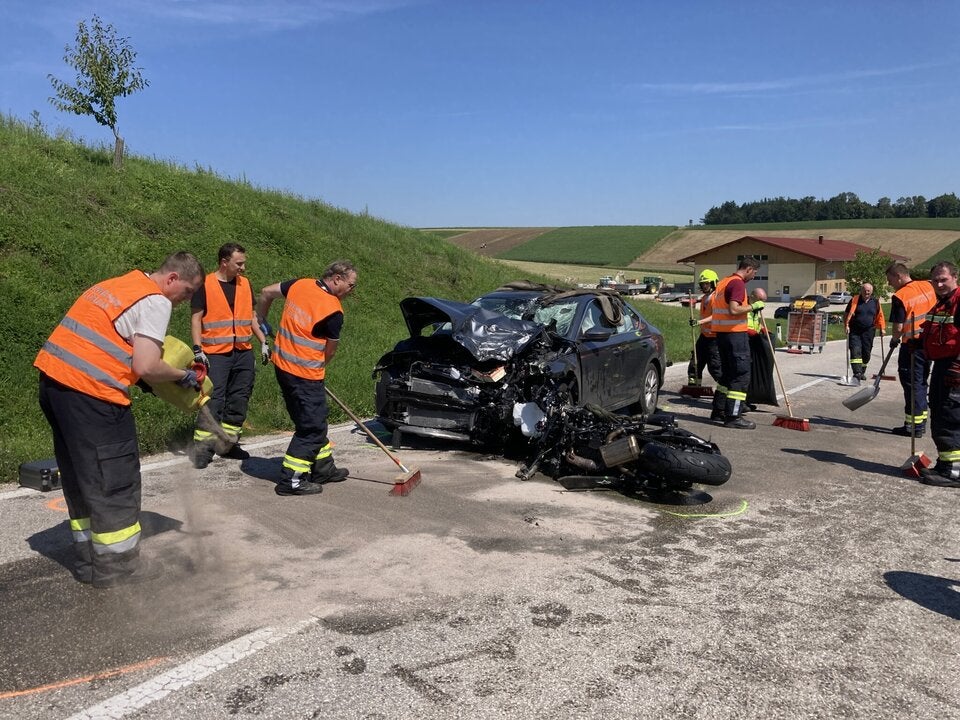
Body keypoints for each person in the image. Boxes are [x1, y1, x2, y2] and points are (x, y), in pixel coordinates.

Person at [33, 252, 205, 588]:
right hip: (93, 394)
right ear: (172, 278)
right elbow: (147, 365)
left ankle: (88, 564)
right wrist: (182, 375)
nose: (184, 302)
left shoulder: (119, 285)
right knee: (115, 482)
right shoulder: (156, 301)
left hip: (55, 386)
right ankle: (118, 572)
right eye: (186, 292)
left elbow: (110, 342)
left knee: (82, 477)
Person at [256, 260, 358, 496]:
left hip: (282, 367)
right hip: (304, 374)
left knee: (313, 419)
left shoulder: (300, 285)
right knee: (311, 427)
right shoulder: (333, 310)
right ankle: (291, 480)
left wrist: (261, 319)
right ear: (337, 279)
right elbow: (329, 352)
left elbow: (266, 292)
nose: (352, 291)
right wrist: (317, 370)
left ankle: (323, 469)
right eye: (351, 285)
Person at [188, 243, 269, 468]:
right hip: (216, 354)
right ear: (224, 262)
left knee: (239, 399)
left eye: (243, 263)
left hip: (243, 351)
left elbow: (251, 316)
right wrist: (198, 349)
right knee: (214, 399)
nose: (243, 267)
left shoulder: (245, 284)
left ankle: (228, 444)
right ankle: (203, 448)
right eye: (239, 263)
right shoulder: (205, 285)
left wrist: (263, 341)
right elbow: (196, 318)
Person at [918, 261, 960, 487]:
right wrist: (920, 342)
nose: (939, 283)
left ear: (955, 277)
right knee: (940, 413)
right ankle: (945, 465)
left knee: (951, 416)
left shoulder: (958, 301)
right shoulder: (942, 303)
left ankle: (954, 472)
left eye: (944, 279)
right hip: (943, 365)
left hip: (955, 367)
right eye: (935, 280)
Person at [886, 262, 937, 438]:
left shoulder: (900, 296)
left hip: (912, 346)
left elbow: (899, 327)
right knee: (921, 382)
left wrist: (894, 340)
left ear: (898, 276)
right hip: (928, 344)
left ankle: (914, 426)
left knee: (912, 384)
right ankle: (919, 422)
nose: (889, 284)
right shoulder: (927, 285)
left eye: (890, 280)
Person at [709, 257, 761, 429]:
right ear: (748, 269)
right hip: (735, 335)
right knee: (740, 376)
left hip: (722, 335)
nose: (754, 276)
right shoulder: (737, 284)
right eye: (754, 272)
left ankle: (719, 411)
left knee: (727, 375)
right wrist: (753, 306)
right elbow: (734, 309)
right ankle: (733, 416)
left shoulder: (724, 282)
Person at [686, 269, 721, 387]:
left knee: (714, 366)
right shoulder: (705, 298)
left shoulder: (716, 298)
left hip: (715, 338)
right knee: (695, 363)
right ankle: (694, 386)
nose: (704, 286)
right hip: (704, 336)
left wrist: (699, 322)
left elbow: (716, 315)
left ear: (713, 283)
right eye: (703, 284)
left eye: (707, 283)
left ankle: (725, 390)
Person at [843, 283, 884, 381]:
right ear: (861, 291)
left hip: (869, 331)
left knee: (866, 353)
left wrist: (882, 328)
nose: (867, 292)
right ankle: (856, 373)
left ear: (872, 291)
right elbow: (846, 314)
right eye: (865, 290)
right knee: (855, 350)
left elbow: (880, 316)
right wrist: (846, 325)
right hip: (855, 330)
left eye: (869, 290)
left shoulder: (875, 302)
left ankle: (862, 371)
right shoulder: (854, 300)